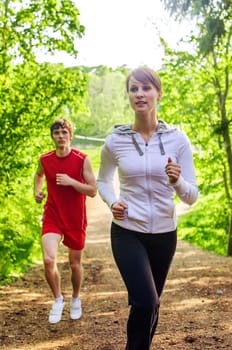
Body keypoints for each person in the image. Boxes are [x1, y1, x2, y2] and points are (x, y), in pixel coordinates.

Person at [97, 67, 198, 349]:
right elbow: (103, 180)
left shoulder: (178, 139)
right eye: (133, 89)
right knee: (146, 299)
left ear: (158, 93)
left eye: (146, 88)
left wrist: (177, 181)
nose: (139, 94)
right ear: (128, 96)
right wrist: (112, 201)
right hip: (128, 230)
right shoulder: (115, 140)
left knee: (152, 305)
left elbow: (191, 196)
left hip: (165, 234)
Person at [34, 118, 97, 324]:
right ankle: (58, 299)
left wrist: (71, 182)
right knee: (49, 260)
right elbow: (39, 175)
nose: (60, 136)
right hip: (52, 215)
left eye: (64, 132)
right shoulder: (45, 159)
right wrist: (37, 191)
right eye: (56, 133)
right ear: (52, 136)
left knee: (74, 263)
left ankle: (76, 298)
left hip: (75, 218)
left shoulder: (82, 159)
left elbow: (93, 190)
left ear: (70, 135)